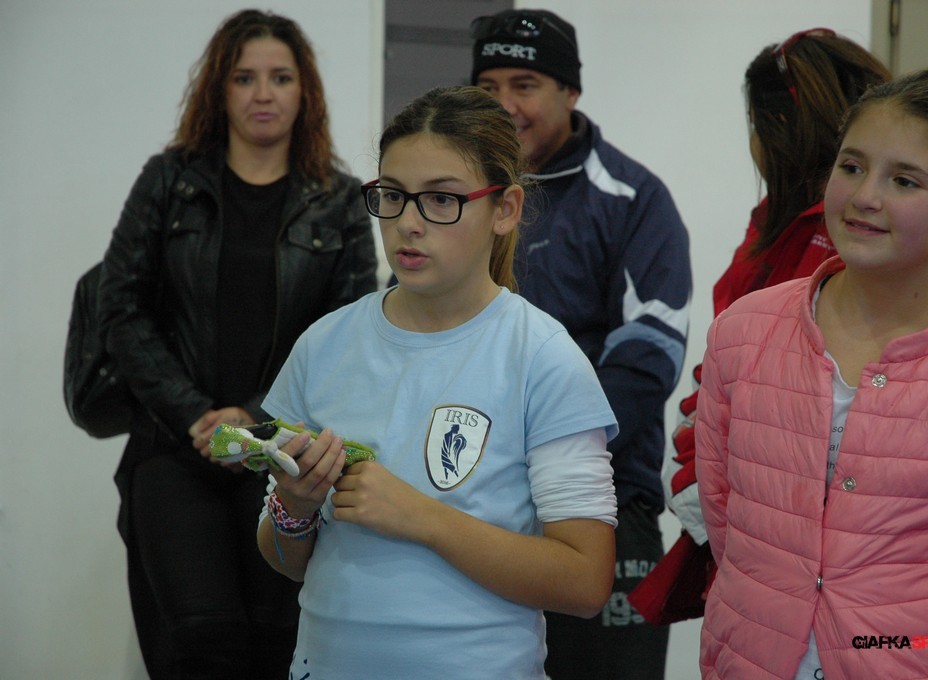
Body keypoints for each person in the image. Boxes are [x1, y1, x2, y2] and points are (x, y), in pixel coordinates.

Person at [255, 85, 619, 680]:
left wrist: (420, 517)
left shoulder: (542, 357)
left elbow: (585, 581)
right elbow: (284, 558)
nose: (408, 223)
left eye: (441, 199)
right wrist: (294, 508)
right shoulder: (323, 346)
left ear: (505, 209)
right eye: (392, 195)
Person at [696, 67, 928, 678]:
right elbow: (727, 520)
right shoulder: (744, 333)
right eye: (851, 166)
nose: (865, 196)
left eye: (904, 180)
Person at [97, 9, 378, 678]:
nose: (262, 94)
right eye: (244, 78)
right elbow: (120, 309)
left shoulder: (338, 200)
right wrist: (196, 414)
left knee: (279, 646)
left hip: (285, 456)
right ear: (218, 90)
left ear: (304, 92)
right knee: (200, 643)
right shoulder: (170, 182)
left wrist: (253, 419)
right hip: (174, 449)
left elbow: (346, 333)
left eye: (280, 77)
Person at [635, 28, 891, 625]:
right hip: (762, 541)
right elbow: (729, 362)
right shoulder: (777, 223)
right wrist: (699, 470)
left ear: (780, 129)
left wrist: (706, 481)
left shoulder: (849, 243)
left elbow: (801, 397)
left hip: (826, 553)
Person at [469, 10, 692, 677]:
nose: (503, 106)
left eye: (524, 85)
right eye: (487, 87)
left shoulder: (633, 198)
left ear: (570, 92)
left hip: (606, 499)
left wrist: (536, 450)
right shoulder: (455, 200)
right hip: (470, 500)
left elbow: (648, 359)